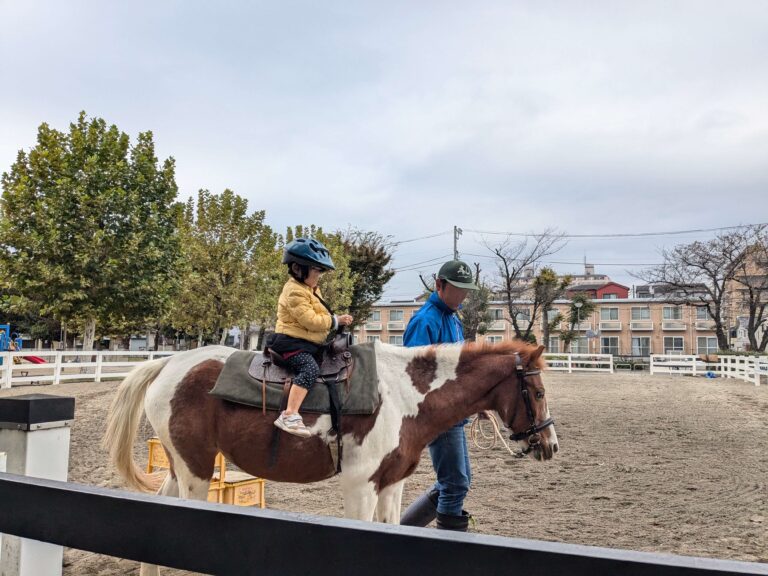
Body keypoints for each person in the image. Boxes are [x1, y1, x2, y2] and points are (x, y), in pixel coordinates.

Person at [400, 259, 479, 531]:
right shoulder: (424, 321)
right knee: (456, 484)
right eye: (457, 289)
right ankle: (446, 546)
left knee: (458, 480)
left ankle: (403, 531)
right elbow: (415, 374)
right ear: (440, 285)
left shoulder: (453, 319)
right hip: (438, 415)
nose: (462, 295)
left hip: (452, 413)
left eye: (466, 290)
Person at [271, 237, 353, 438]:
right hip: (292, 343)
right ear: (299, 269)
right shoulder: (294, 291)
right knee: (309, 369)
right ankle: (289, 414)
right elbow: (310, 320)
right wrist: (335, 321)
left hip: (307, 342)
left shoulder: (311, 289)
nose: (319, 275)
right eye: (317, 270)